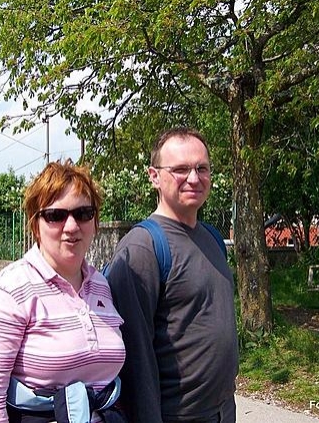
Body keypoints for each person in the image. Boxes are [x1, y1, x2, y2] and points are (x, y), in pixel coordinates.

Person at [0, 159, 126, 423]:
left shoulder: (101, 285)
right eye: (55, 215)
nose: (71, 226)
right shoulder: (6, 293)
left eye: (83, 213)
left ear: (95, 220)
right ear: (35, 225)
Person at [106, 127, 239, 423]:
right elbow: (135, 359)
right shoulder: (143, 248)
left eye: (202, 168)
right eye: (180, 169)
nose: (194, 178)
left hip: (222, 411)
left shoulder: (212, 239)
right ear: (154, 176)